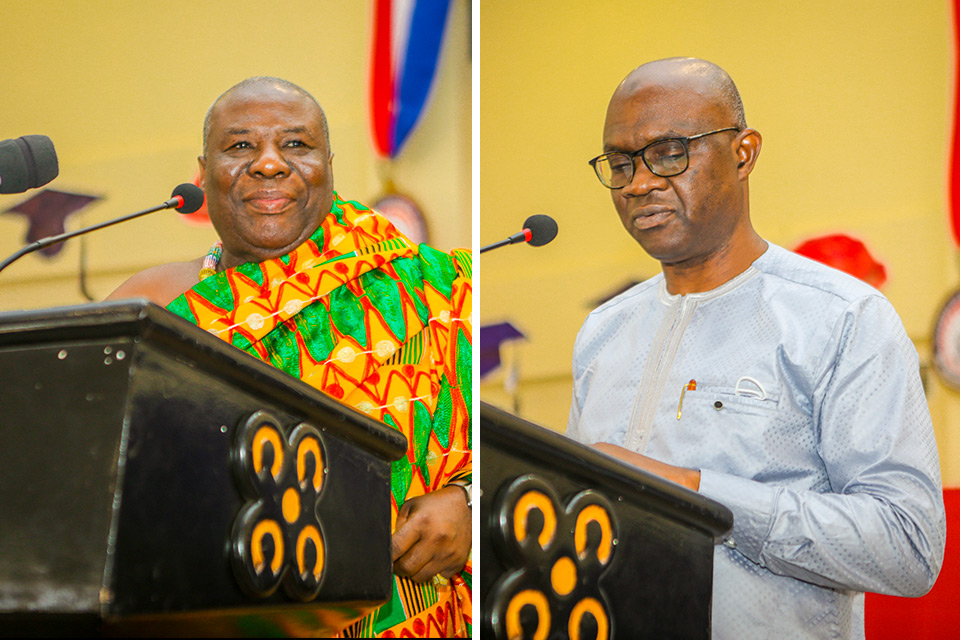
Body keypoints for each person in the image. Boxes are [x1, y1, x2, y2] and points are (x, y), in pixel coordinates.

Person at [566, 58, 945, 639]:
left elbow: (907, 545)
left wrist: (696, 493)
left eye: (669, 153)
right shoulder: (604, 331)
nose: (639, 183)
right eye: (620, 164)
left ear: (743, 153)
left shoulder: (840, 318)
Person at [107, 77, 472, 638]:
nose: (270, 164)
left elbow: (518, 455)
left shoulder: (433, 286)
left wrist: (468, 501)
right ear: (203, 176)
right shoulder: (156, 305)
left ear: (329, 166)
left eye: (296, 145)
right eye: (241, 146)